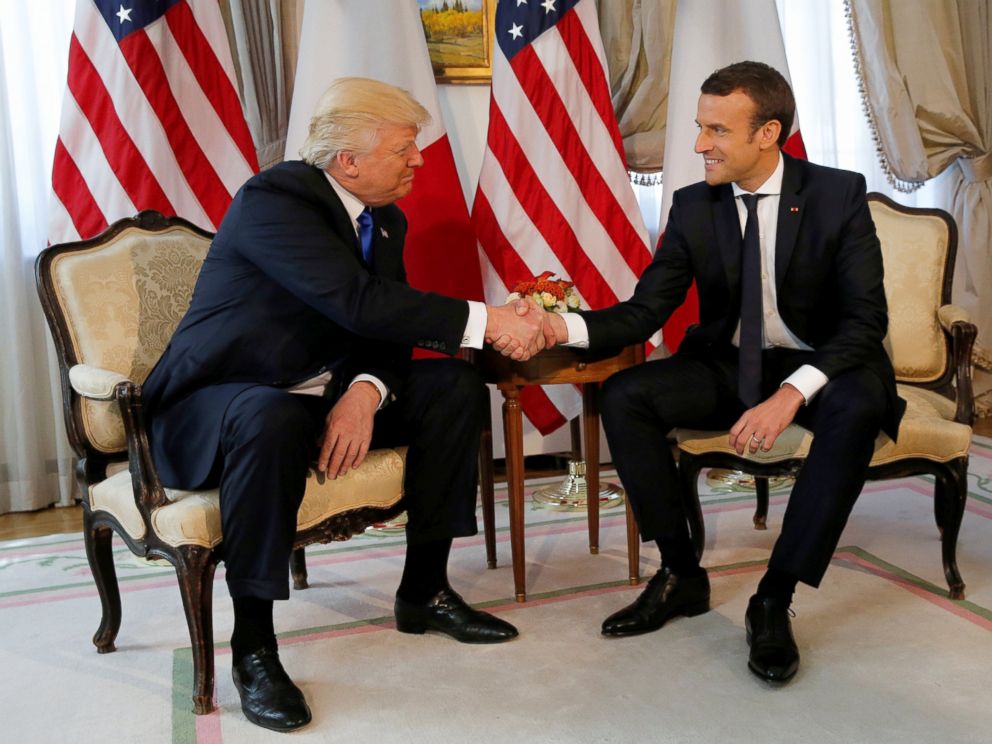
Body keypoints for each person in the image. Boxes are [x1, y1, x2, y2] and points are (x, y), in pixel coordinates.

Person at [142, 77, 548, 732]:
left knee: (452, 386)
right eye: (405, 148)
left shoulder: (384, 220)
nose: (419, 160)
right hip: (216, 402)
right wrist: (490, 318)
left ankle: (426, 591)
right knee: (267, 415)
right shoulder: (273, 200)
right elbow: (355, 302)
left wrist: (364, 394)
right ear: (347, 161)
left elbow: (381, 329)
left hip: (315, 396)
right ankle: (254, 648)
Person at [545, 61, 904, 683]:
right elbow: (645, 310)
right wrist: (561, 329)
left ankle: (775, 596)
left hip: (825, 364)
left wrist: (792, 393)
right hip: (727, 363)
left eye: (716, 130)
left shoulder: (836, 195)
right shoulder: (693, 207)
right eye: (699, 127)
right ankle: (681, 573)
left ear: (767, 133)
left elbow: (864, 321)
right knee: (627, 393)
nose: (698, 145)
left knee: (858, 405)